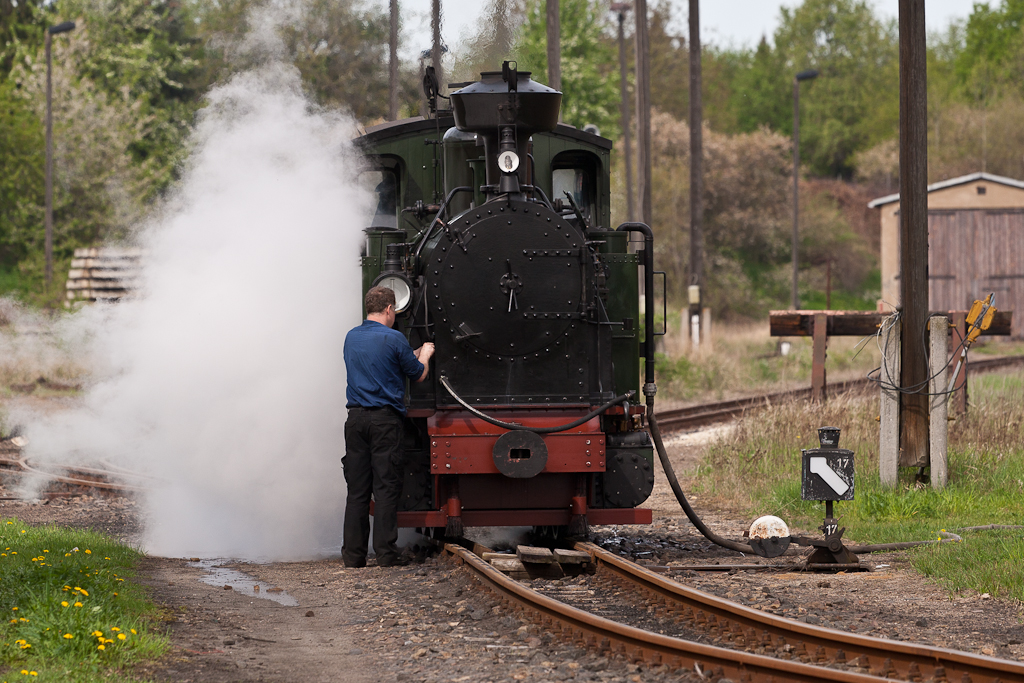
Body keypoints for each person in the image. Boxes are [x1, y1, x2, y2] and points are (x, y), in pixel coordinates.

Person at [342, 286, 435, 568]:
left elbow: (382, 359)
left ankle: (354, 557)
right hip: (385, 420)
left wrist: (411, 352)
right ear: (388, 310)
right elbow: (417, 374)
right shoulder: (394, 338)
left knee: (357, 491)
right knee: (385, 488)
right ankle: (385, 554)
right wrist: (425, 354)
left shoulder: (351, 337)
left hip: (355, 420)